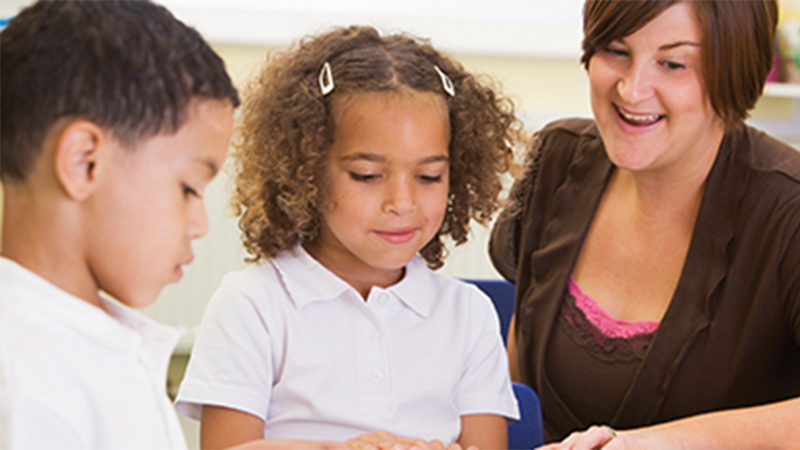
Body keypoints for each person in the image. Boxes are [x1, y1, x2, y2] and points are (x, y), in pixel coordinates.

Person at [0, 2, 345, 450]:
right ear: (85, 163)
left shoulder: (80, 344)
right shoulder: (28, 378)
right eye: (188, 188)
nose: (200, 224)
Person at [174, 25, 522, 450]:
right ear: (306, 170)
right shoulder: (252, 305)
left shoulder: (468, 316)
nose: (402, 201)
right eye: (368, 176)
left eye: (430, 176)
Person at [489, 0, 800, 448]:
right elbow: (517, 385)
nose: (633, 90)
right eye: (616, 50)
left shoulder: (787, 211)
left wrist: (659, 443)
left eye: (673, 64)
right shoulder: (556, 158)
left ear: (734, 69)